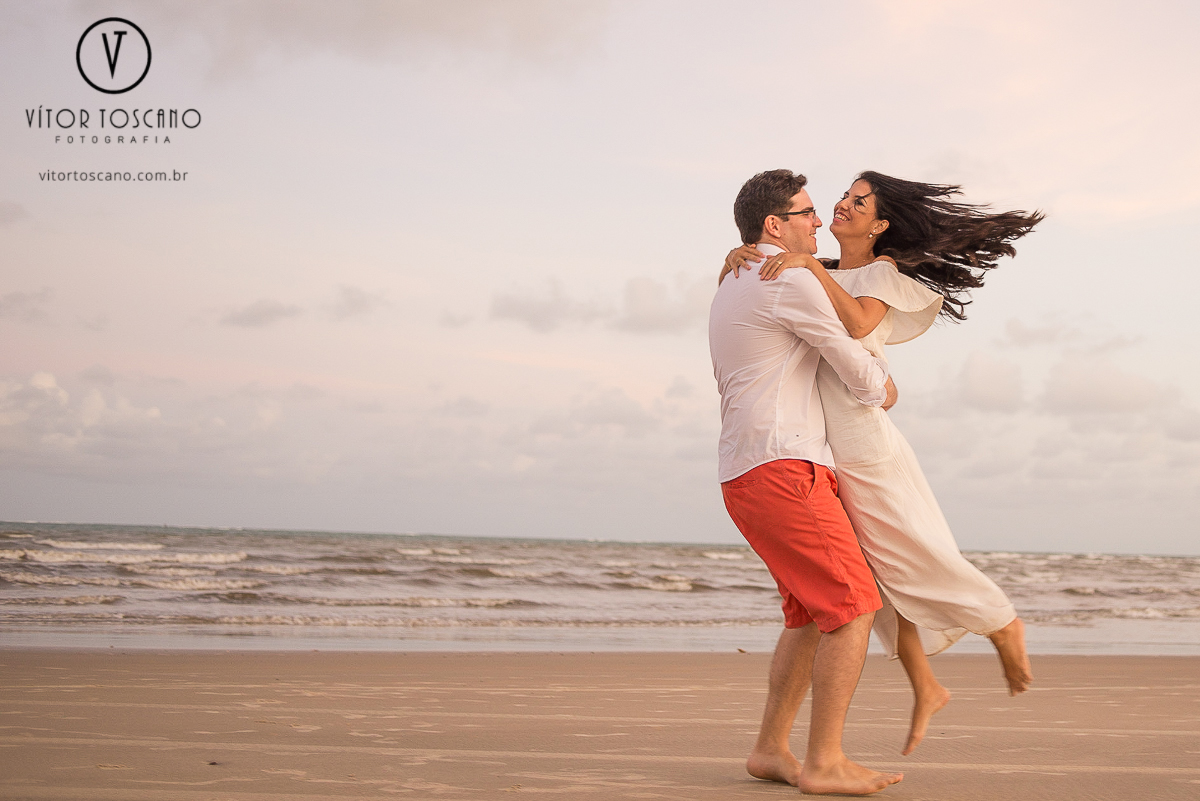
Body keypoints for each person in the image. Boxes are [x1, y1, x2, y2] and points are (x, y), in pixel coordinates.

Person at [721, 171, 1042, 755]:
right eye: (839, 198)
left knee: (910, 549)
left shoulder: (879, 274)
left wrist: (808, 267)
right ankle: (925, 684)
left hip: (863, 437)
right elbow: (782, 259)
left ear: (881, 224)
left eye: (856, 202)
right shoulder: (817, 267)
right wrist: (747, 250)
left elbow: (860, 323)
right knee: (879, 569)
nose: (839, 208)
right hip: (825, 447)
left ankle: (1002, 620)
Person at [709, 168, 903, 794]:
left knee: (808, 614)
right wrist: (883, 387)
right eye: (807, 213)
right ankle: (824, 761)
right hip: (784, 466)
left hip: (747, 470)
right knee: (853, 606)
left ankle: (771, 749)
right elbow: (845, 345)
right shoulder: (785, 279)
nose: (818, 223)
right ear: (775, 225)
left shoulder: (738, 276)